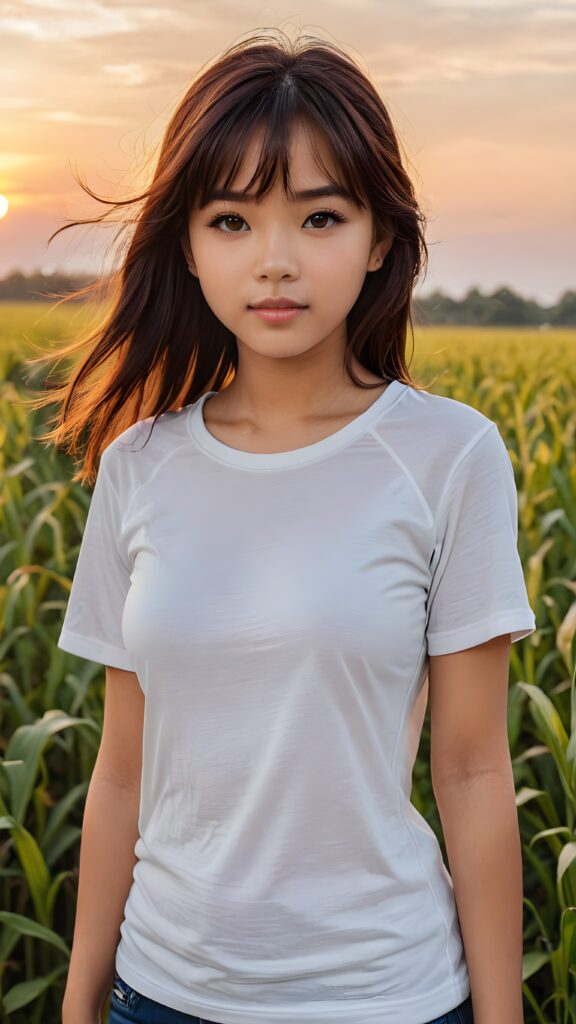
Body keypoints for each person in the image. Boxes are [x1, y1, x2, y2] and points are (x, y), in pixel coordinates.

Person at [43, 27, 536, 1024]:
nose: (274, 262)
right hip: (163, 993)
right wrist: (79, 1000)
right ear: (186, 241)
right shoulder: (139, 465)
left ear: (381, 237)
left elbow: (475, 769)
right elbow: (122, 766)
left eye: (319, 218)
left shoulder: (449, 454)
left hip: (386, 994)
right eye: (231, 220)